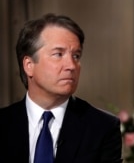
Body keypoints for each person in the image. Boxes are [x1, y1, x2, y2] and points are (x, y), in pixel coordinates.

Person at [0, 13, 122, 163]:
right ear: (29, 65)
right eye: (58, 54)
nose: (71, 66)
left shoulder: (103, 127)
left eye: (76, 56)